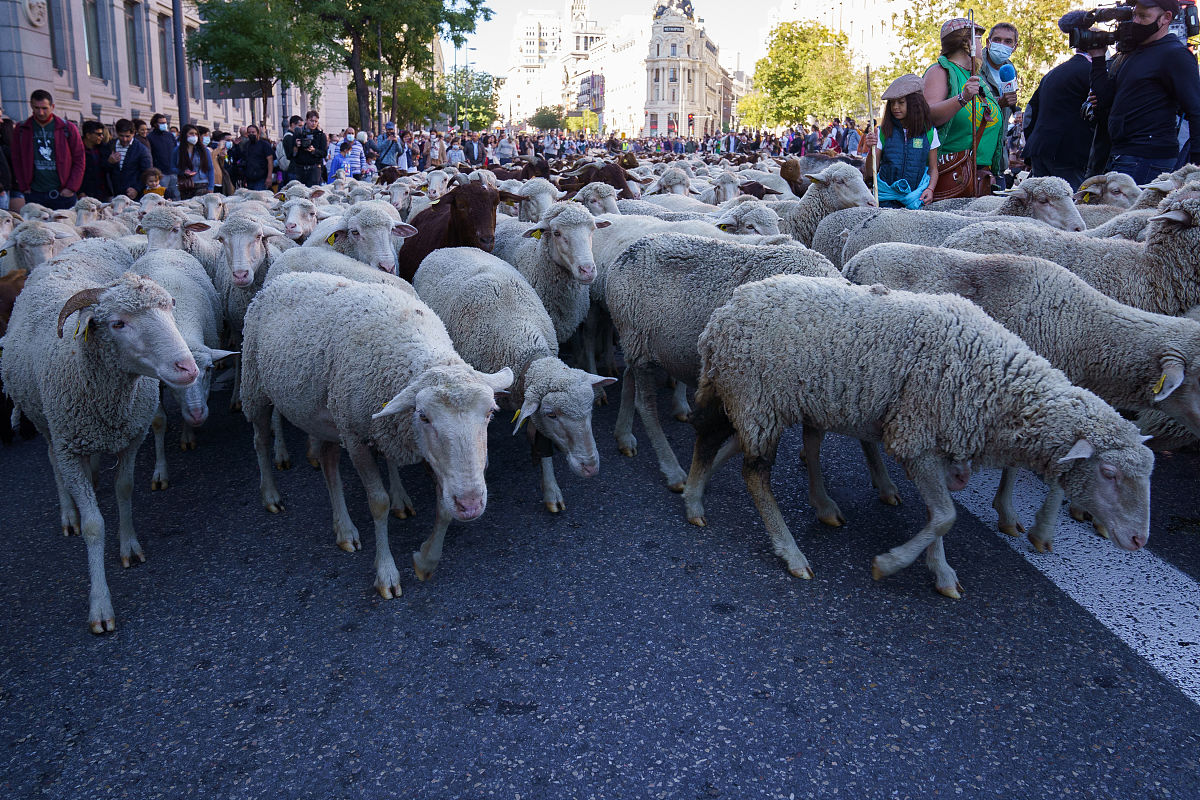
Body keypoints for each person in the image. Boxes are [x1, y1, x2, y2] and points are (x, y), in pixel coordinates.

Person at [1088, 0, 1200, 183]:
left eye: (1143, 16)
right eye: (1134, 15)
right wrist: (1098, 58)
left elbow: (1196, 109)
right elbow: (1105, 99)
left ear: (1166, 18)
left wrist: (1196, 162)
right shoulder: (1133, 53)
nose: (1136, 21)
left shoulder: (1174, 54)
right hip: (1122, 154)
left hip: (1148, 159)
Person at [924, 17, 1004, 195]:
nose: (984, 46)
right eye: (979, 39)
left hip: (980, 175)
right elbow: (928, 115)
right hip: (954, 175)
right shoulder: (939, 71)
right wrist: (962, 98)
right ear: (967, 43)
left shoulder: (977, 77)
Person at [1024, 33, 1093, 189]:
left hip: (1040, 148)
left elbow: (1030, 113)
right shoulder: (1092, 71)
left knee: (1042, 206)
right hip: (1069, 152)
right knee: (1069, 205)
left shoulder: (1053, 73)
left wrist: (1031, 144)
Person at [864, 74, 940, 209]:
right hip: (885, 200)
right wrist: (871, 149)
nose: (895, 107)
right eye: (892, 103)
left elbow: (933, 169)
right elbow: (871, 172)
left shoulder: (929, 132)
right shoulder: (882, 132)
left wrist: (930, 189)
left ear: (914, 104)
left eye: (901, 102)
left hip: (915, 199)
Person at [10, 90, 84, 212]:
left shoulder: (67, 128)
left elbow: (79, 158)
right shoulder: (22, 128)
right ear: (31, 106)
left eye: (44, 108)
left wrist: (71, 187)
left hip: (62, 193)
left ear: (52, 107)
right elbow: (16, 159)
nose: (40, 112)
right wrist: (24, 186)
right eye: (36, 108)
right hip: (34, 193)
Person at [979, 22, 1021, 185]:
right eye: (997, 40)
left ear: (1014, 47)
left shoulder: (1009, 69)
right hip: (977, 154)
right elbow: (969, 105)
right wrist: (999, 103)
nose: (1002, 45)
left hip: (999, 156)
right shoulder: (974, 66)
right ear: (988, 42)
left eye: (1008, 41)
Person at [107, 118, 152, 200]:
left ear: (133, 134)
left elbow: (147, 172)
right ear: (117, 133)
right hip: (114, 194)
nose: (124, 139)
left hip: (132, 195)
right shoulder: (110, 146)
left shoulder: (141, 149)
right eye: (121, 136)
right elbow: (102, 168)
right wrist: (109, 162)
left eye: (128, 136)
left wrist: (137, 189)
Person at [170, 124, 214, 198]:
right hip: (185, 185)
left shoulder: (204, 150)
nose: (194, 136)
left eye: (196, 134)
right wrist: (182, 171)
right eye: (191, 133)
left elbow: (210, 169)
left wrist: (211, 187)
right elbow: (172, 167)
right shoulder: (177, 150)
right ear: (185, 135)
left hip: (202, 184)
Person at [289, 111, 326, 187]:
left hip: (314, 169)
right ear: (306, 120)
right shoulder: (298, 133)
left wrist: (314, 151)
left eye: (316, 121)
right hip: (300, 169)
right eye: (311, 121)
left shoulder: (320, 135)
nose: (314, 123)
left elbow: (324, 153)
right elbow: (291, 154)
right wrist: (296, 146)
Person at [147, 112, 178, 199]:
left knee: (176, 196)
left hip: (173, 172)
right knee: (162, 197)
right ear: (155, 124)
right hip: (161, 173)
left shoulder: (170, 136)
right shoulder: (150, 137)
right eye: (161, 123)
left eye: (165, 123)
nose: (164, 125)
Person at [233, 123, 273, 190]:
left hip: (261, 178)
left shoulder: (264, 144)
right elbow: (242, 158)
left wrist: (269, 177)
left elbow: (270, 161)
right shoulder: (246, 145)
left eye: (253, 132)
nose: (251, 134)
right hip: (249, 178)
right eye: (249, 132)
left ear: (257, 133)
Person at [79, 120, 112, 201]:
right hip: (85, 193)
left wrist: (110, 162)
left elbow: (107, 169)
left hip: (103, 192)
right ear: (88, 135)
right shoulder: (77, 149)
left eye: (102, 134)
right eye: (98, 134)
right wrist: (80, 191)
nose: (101, 136)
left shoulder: (104, 148)